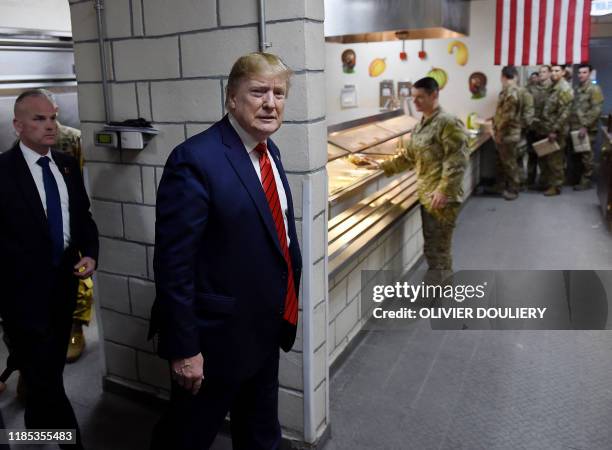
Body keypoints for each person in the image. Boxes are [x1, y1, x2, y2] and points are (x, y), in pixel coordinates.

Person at [149, 53, 302, 450]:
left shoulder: (271, 153)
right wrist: (184, 348)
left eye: (279, 93)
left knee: (260, 435)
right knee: (185, 438)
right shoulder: (196, 159)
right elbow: (174, 264)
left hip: (265, 328)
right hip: (214, 342)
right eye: (258, 92)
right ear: (232, 99)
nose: (271, 102)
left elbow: (276, 238)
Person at [0, 89, 99, 449]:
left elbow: (83, 219)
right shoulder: (3, 172)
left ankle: (36, 428)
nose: (50, 125)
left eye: (53, 117)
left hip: (63, 292)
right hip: (23, 301)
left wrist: (90, 253)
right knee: (49, 384)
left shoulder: (67, 164)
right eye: (39, 118)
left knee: (47, 376)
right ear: (18, 125)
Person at [378, 76, 468, 274]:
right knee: (432, 249)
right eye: (413, 97)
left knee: (439, 252)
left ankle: (441, 296)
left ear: (434, 94)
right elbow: (410, 157)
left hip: (442, 199)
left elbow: (457, 160)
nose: (415, 101)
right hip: (428, 195)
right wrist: (381, 166)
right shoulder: (421, 124)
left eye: (420, 97)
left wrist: (443, 191)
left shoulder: (448, 122)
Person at [55, 122, 94, 363]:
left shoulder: (74, 139)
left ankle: (75, 329)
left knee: (79, 279)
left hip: (71, 215)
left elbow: (83, 178)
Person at [539, 64, 574, 196]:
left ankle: (556, 186)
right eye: (552, 70)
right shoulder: (552, 87)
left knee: (556, 160)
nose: (554, 73)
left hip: (557, 131)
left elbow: (565, 113)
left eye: (557, 71)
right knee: (550, 159)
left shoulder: (564, 88)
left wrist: (554, 130)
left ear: (563, 72)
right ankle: (550, 183)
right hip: (548, 129)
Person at [569, 63, 604, 190]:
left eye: (584, 72)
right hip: (575, 127)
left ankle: (586, 181)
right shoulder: (578, 88)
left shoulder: (595, 89)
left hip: (586, 129)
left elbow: (596, 110)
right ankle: (578, 179)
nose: (581, 75)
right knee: (578, 155)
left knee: (587, 156)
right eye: (579, 72)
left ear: (589, 73)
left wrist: (585, 126)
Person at [492, 65, 524, 200]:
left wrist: (499, 133)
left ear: (503, 77)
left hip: (508, 133)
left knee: (510, 163)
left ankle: (513, 189)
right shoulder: (510, 91)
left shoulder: (511, 92)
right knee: (505, 162)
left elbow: (508, 117)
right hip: (507, 132)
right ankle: (502, 186)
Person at [527, 65, 553, 188]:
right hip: (533, 127)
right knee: (531, 154)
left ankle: (544, 182)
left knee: (545, 156)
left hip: (546, 128)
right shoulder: (532, 89)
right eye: (540, 72)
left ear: (549, 73)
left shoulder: (553, 89)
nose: (541, 74)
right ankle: (530, 180)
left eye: (544, 72)